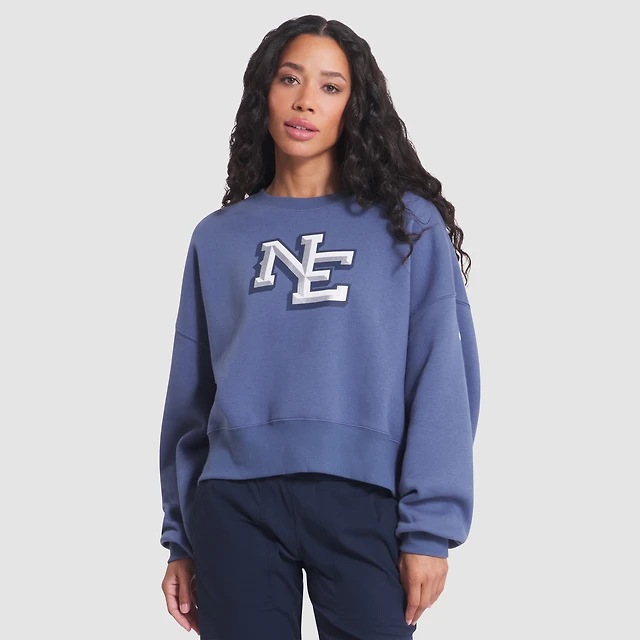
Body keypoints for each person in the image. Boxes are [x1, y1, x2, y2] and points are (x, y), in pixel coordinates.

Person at [158, 14, 481, 640]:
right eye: (290, 79)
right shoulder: (218, 238)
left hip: (364, 499)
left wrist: (430, 528)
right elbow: (189, 395)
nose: (306, 100)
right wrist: (180, 539)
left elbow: (442, 375)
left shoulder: (407, 226)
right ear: (264, 92)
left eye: (331, 87)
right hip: (234, 503)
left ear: (354, 107)